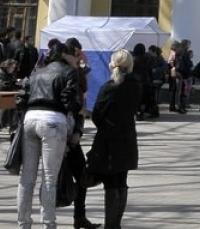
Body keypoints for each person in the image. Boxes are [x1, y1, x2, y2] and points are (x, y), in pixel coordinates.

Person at [16, 40, 81, 229]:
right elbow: (68, 101)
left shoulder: (36, 72)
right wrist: (78, 113)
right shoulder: (69, 72)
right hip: (53, 120)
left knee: (27, 178)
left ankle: (23, 223)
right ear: (63, 55)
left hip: (30, 119)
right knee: (49, 179)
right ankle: (48, 224)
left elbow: (21, 97)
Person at [86, 50, 141, 229]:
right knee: (121, 179)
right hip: (127, 137)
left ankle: (111, 225)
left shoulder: (110, 86)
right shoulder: (136, 85)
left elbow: (96, 114)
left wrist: (105, 125)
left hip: (109, 139)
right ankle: (115, 223)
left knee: (110, 181)